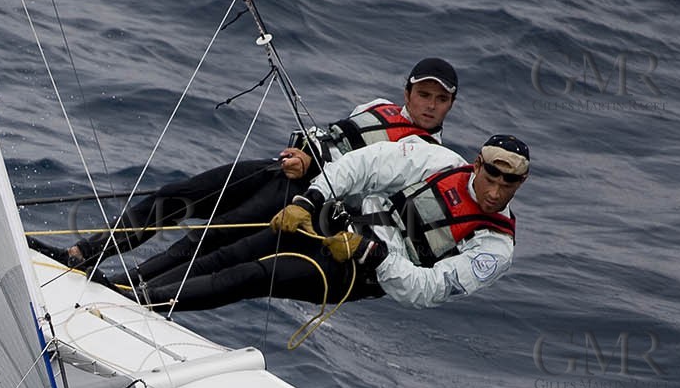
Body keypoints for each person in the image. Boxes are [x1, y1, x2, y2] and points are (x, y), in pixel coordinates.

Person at [49, 58, 460, 283]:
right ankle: (83, 253)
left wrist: (312, 171)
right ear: (407, 92)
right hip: (278, 172)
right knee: (176, 196)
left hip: (304, 203)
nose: (429, 105)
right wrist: (300, 151)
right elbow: (323, 136)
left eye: (439, 100)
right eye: (423, 94)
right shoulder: (373, 109)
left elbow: (366, 197)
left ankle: (126, 284)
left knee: (209, 239)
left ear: (449, 106)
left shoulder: (428, 158)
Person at [133, 133, 530, 311]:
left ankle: (142, 304)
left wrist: (372, 255)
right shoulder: (439, 162)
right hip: (330, 222)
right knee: (227, 251)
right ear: (477, 164)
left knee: (251, 275)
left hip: (356, 273)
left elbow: (426, 290)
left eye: (508, 183)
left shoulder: (495, 247)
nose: (496, 190)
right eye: (491, 176)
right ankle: (125, 285)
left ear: (521, 182)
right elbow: (364, 164)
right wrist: (310, 200)